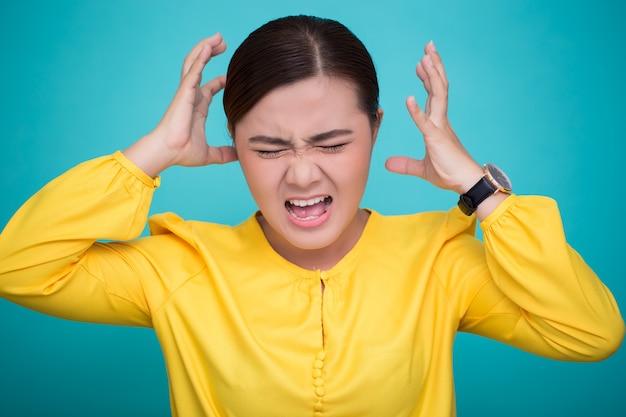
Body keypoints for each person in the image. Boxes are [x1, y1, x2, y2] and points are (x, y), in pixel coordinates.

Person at [0, 15, 623, 417]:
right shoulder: (181, 268)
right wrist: (153, 155)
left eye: (332, 144)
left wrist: (479, 189)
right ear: (233, 143)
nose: (301, 175)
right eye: (268, 149)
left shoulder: (439, 262)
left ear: (375, 130)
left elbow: (592, 334)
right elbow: (17, 267)